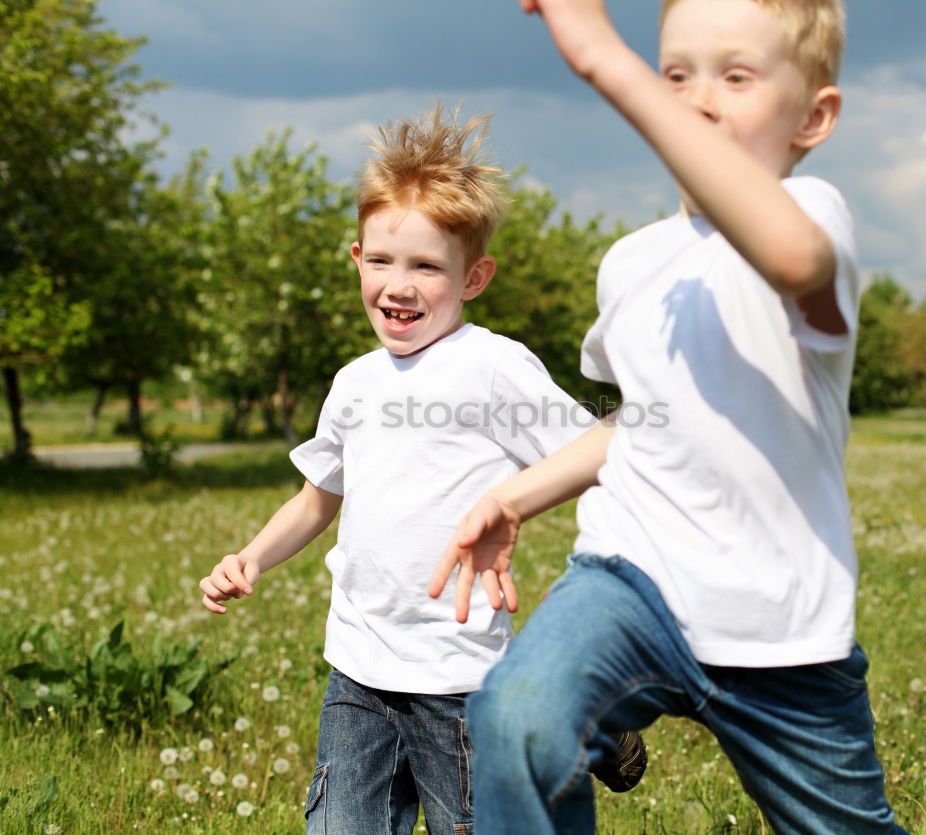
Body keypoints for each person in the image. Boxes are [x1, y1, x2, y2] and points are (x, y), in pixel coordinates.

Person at [429, 1, 909, 832]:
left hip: (778, 625)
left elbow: (792, 258)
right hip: (633, 580)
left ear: (815, 116)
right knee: (518, 717)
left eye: (736, 75)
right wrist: (515, 497)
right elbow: (643, 422)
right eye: (675, 74)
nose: (696, 99)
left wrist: (606, 59)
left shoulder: (816, 216)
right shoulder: (632, 264)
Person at [198, 105, 642, 835]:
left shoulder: (493, 366)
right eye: (381, 261)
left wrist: (518, 502)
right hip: (358, 670)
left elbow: (592, 453)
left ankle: (581, 716)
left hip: (458, 675)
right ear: (356, 259)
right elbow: (316, 500)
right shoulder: (354, 381)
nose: (398, 285)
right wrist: (249, 556)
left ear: (474, 276)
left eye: (426, 266)